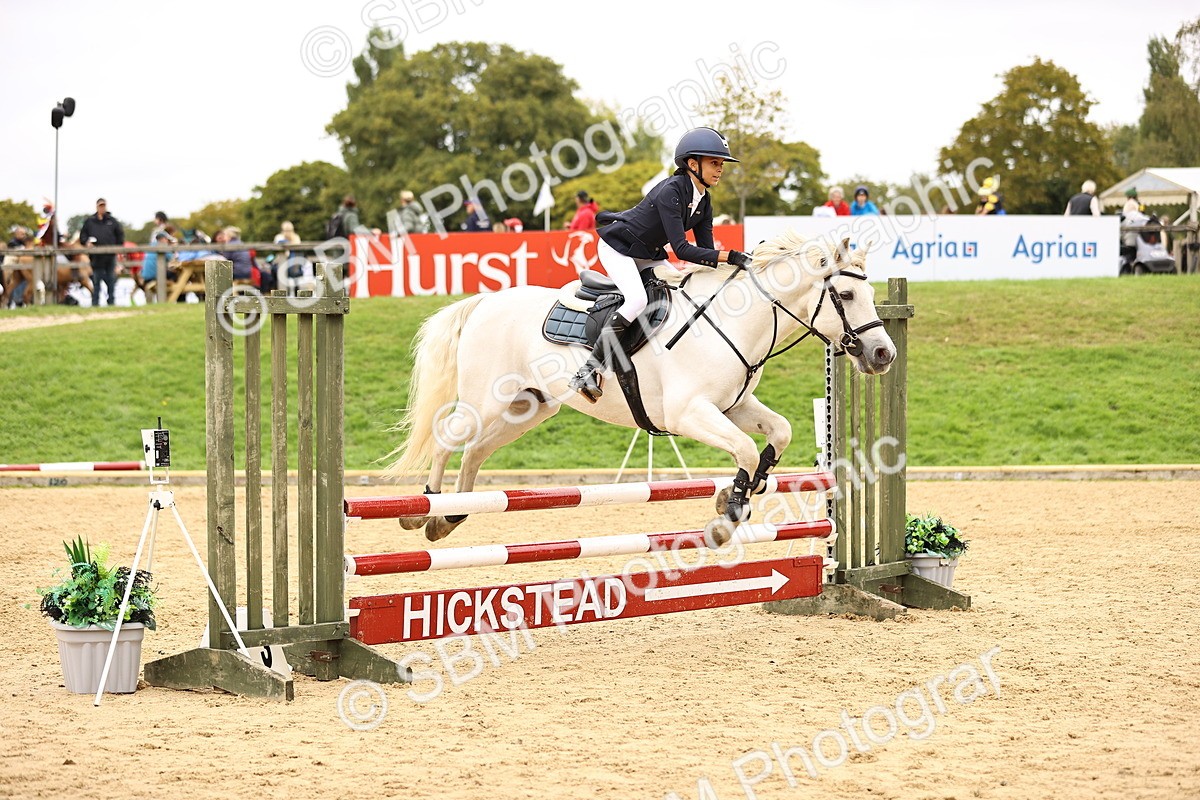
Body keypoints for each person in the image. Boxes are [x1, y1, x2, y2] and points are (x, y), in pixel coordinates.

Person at [567, 126, 751, 402]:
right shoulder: (672, 191)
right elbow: (683, 249)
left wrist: (734, 268)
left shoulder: (704, 200)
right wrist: (731, 257)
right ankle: (588, 370)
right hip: (618, 248)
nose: (720, 169)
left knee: (681, 292)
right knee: (637, 301)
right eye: (714, 162)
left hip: (648, 251)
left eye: (721, 163)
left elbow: (705, 251)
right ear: (692, 164)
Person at [79, 198, 125, 306]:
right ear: (96, 207)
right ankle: (95, 303)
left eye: (104, 206)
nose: (102, 208)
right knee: (96, 280)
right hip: (96, 257)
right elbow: (83, 236)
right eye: (100, 206)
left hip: (110, 256)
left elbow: (120, 236)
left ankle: (111, 302)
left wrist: (117, 248)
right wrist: (87, 242)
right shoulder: (90, 221)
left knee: (111, 280)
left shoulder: (112, 221)